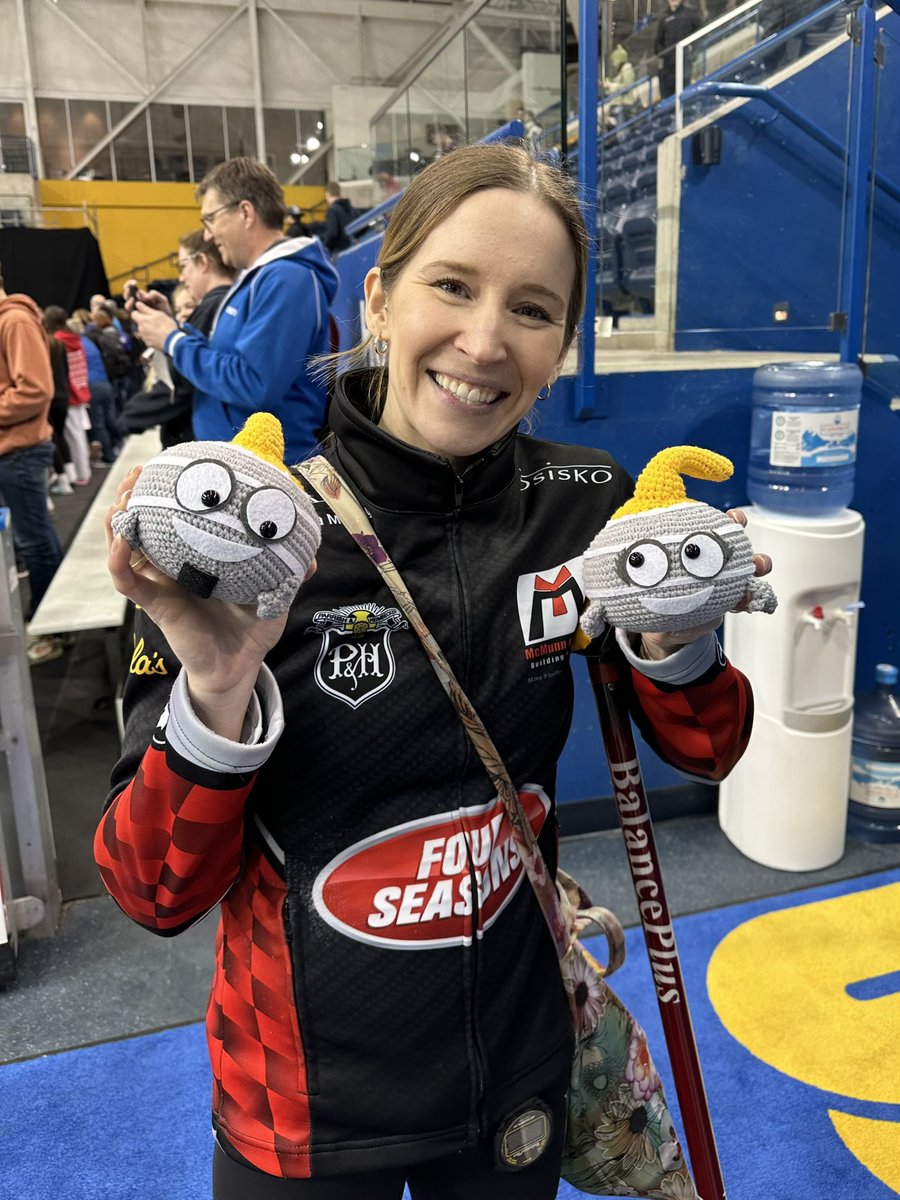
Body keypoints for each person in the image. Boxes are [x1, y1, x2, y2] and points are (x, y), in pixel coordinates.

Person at [96, 142, 766, 1198]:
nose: (486, 340)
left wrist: (676, 635)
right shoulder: (257, 534)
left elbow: (710, 750)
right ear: (378, 299)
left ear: (562, 345)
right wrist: (218, 693)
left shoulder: (592, 506)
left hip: (516, 1079)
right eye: (452, 286)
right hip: (303, 1109)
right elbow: (153, 891)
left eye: (533, 310)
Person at [131, 157, 339, 463]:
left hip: (265, 474)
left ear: (245, 212)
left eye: (210, 219)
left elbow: (254, 383)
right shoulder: (260, 278)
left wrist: (172, 341)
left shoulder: (286, 279)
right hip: (241, 468)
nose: (207, 235)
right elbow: (229, 360)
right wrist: (172, 326)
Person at [0, 270, 64, 662]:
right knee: (35, 540)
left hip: (20, 451)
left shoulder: (14, 320)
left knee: (34, 542)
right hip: (14, 450)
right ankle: (49, 623)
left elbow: (36, 389)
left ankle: (50, 629)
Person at [42, 306, 92, 485]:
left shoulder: (56, 341)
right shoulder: (74, 339)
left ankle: (77, 474)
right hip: (77, 390)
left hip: (65, 393)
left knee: (68, 437)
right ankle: (82, 472)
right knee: (77, 435)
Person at [654, 0, 701, 99]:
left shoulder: (690, 13)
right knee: (668, 93)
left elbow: (700, 31)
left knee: (684, 91)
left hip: (685, 61)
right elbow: (658, 41)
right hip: (669, 65)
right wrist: (662, 55)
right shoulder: (663, 16)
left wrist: (693, 50)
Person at [306, 181, 358, 257]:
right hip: (352, 249)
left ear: (327, 194)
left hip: (338, 253)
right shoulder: (351, 209)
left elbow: (332, 234)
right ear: (339, 193)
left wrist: (324, 246)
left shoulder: (332, 210)